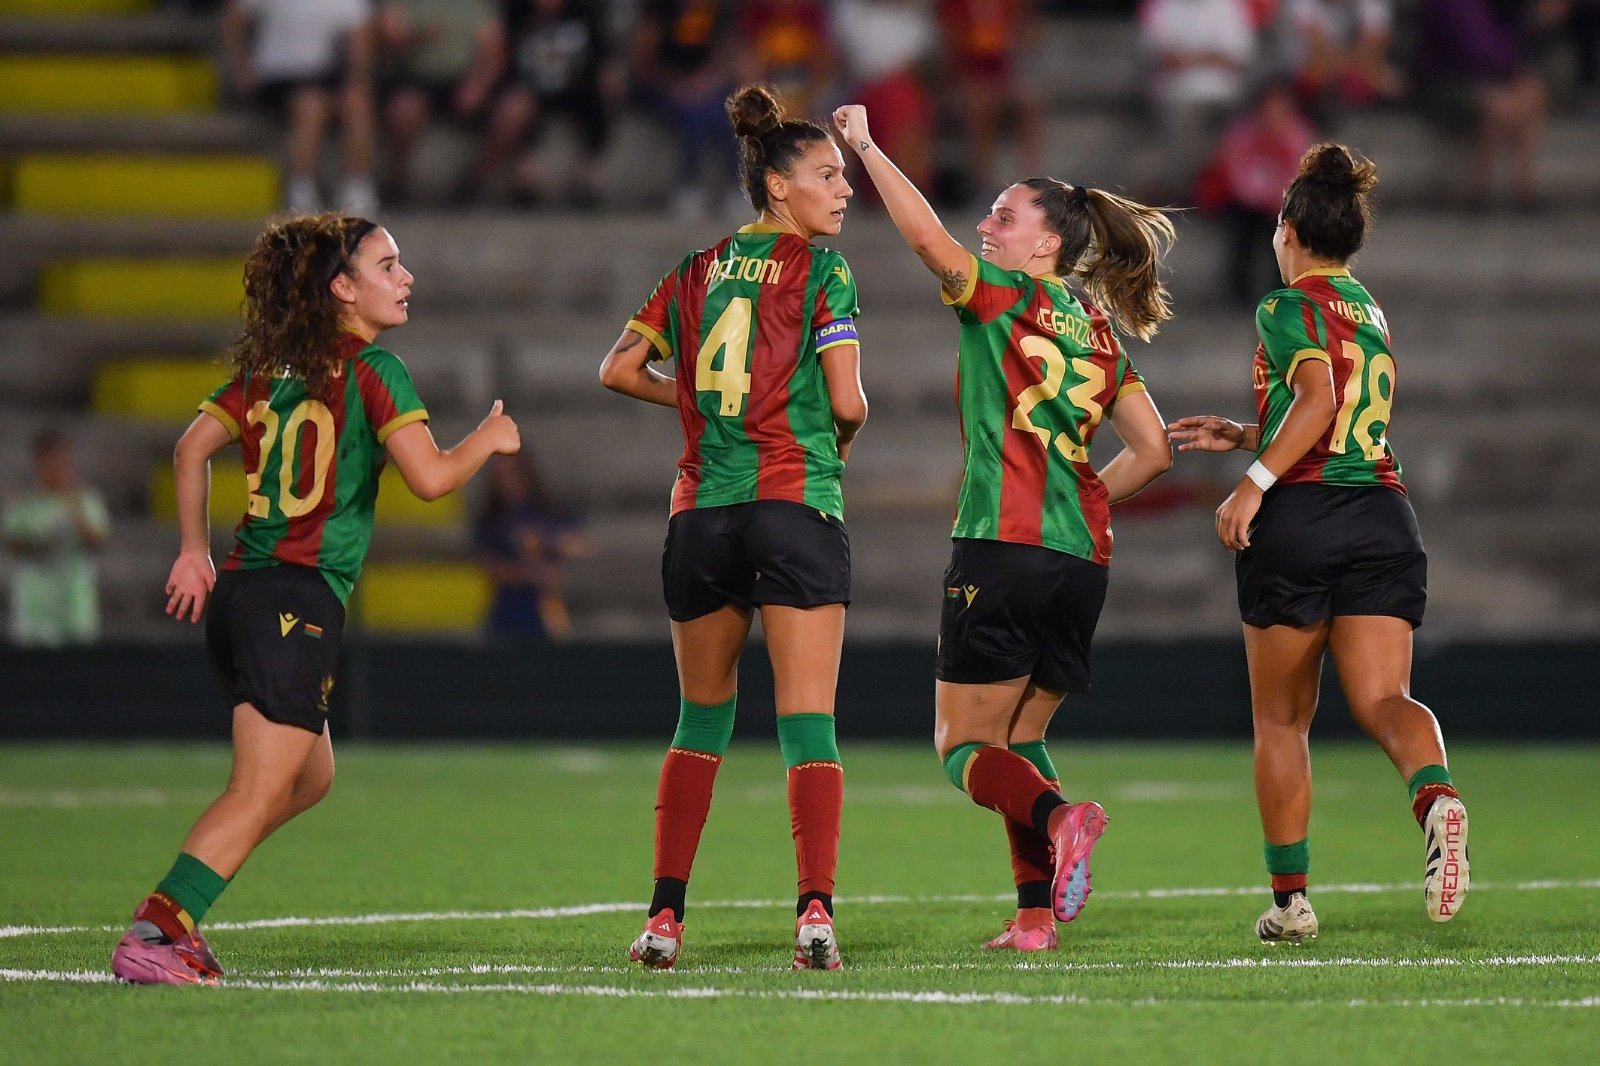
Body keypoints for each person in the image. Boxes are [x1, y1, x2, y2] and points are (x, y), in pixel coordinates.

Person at [110, 213, 521, 985]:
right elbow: (430, 480)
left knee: (310, 777)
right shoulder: (374, 370)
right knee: (260, 786)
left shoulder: (271, 369)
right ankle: (159, 929)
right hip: (294, 599)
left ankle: (183, 915)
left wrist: (193, 553)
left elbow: (190, 446)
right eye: (388, 265)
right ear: (342, 288)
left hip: (243, 593)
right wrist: (488, 441)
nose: (405, 278)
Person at [834, 104, 1176, 952]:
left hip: (1001, 544)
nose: (986, 227)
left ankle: (1066, 818)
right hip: (1082, 559)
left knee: (961, 745)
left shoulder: (1001, 297)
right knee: (1021, 738)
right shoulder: (1099, 331)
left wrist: (868, 146)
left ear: (1047, 244)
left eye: (1004, 216)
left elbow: (924, 242)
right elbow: (1156, 451)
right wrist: (1084, 494)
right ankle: (1033, 920)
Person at [1167, 144, 1469, 944]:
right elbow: (1333, 416)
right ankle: (1436, 797)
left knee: (1281, 720)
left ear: (1289, 230)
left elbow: (1317, 395)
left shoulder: (1284, 305)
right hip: (1381, 513)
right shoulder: (1368, 308)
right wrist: (1245, 435)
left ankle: (1291, 900)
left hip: (1301, 519)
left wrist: (1253, 482)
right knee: (1383, 698)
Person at [600, 84, 866, 971]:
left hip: (702, 513)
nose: (844, 189)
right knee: (808, 724)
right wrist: (840, 440)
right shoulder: (824, 272)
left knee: (700, 722)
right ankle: (816, 916)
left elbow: (617, 368)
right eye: (828, 174)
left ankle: (664, 919)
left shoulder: (693, 269)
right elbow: (847, 400)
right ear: (779, 188)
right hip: (794, 503)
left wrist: (694, 405)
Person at [222, 0, 382, 214]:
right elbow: (234, 18)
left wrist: (355, 82)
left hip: (322, 76)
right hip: (276, 77)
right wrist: (242, 67)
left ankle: (356, 185)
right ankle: (300, 187)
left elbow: (358, 41)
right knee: (311, 105)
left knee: (357, 102)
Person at [3, 432, 111, 648]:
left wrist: (74, 512)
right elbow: (12, 545)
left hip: (74, 599)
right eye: (51, 461)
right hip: (35, 601)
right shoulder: (25, 503)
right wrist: (41, 544)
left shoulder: (84, 500)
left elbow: (98, 540)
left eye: (62, 461)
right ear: (38, 463)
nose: (57, 467)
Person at [474, 452, 590, 642]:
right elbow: (489, 566)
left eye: (512, 472)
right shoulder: (492, 520)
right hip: (508, 613)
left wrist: (545, 543)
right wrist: (530, 572)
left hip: (546, 613)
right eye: (500, 474)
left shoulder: (549, 512)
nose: (507, 479)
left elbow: (579, 545)